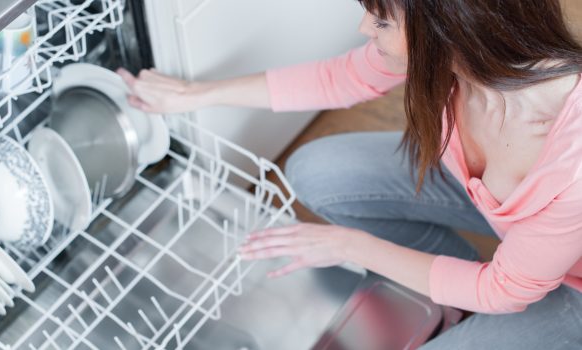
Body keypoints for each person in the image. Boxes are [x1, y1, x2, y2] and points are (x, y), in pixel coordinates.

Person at [117, 0, 582, 348]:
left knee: (511, 295)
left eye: (381, 20)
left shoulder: (572, 151)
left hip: (571, 285)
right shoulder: (459, 61)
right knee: (317, 171)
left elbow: (502, 291)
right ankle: (460, 289)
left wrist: (348, 245)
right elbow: (336, 79)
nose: (363, 26)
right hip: (515, 231)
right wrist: (194, 96)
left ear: (450, 31)